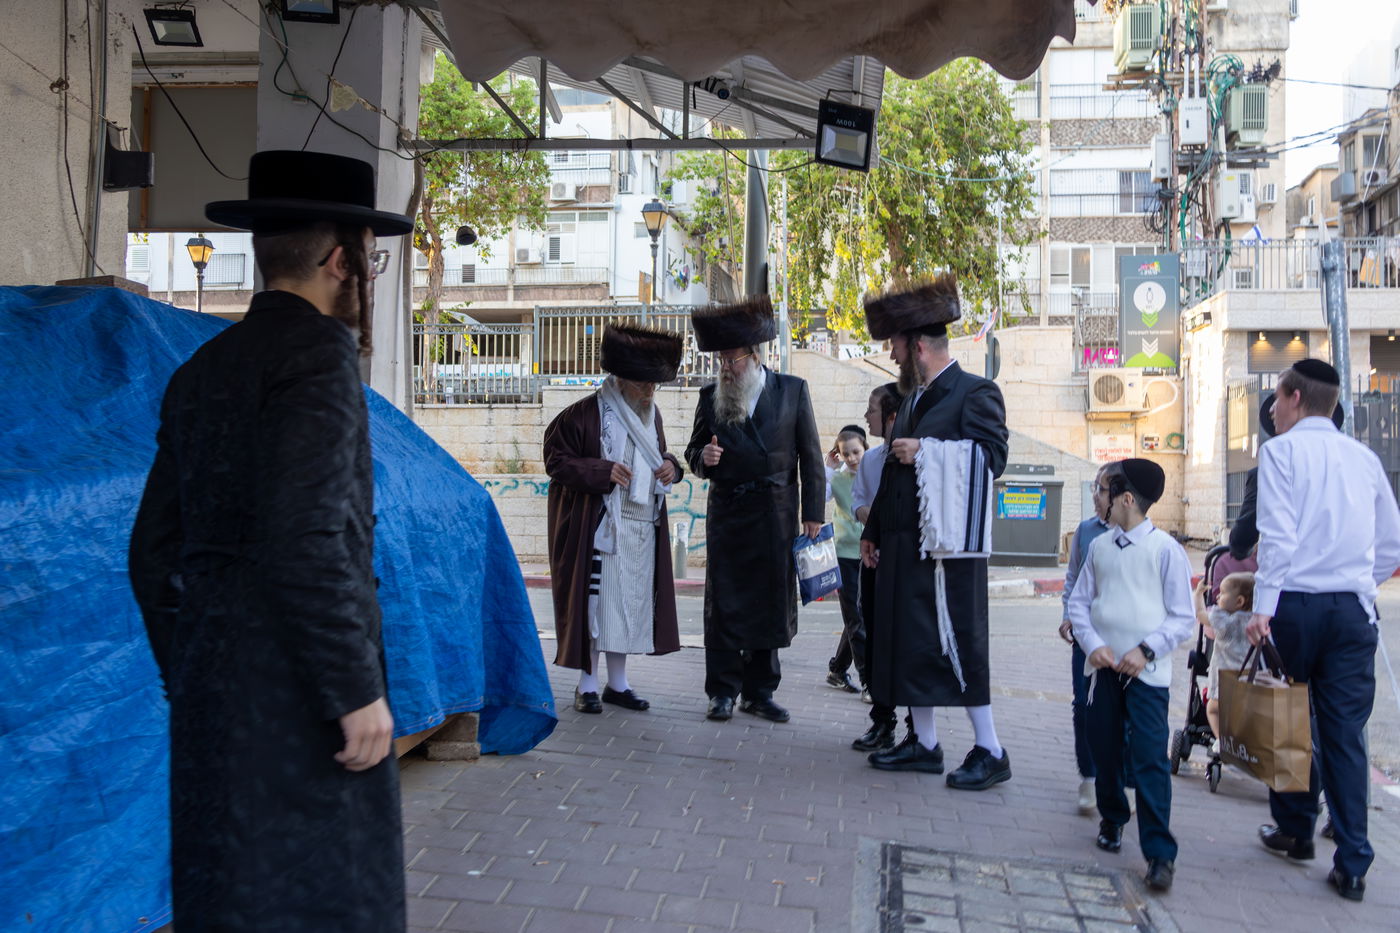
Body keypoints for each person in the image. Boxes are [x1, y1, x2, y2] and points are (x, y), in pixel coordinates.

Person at [128, 150, 410, 929]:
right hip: (300, 703)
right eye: (368, 257)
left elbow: (152, 555)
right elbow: (309, 535)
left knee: (227, 897)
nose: (368, 274)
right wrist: (353, 687)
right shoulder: (319, 361)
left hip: (215, 694)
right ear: (338, 260)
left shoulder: (203, 369)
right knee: (326, 904)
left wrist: (189, 668)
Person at [1247, 358, 1400, 903]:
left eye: (1276, 397)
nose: (1272, 409)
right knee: (1343, 733)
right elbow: (1391, 544)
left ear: (1291, 397)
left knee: (1289, 716)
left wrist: (1263, 607)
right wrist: (1359, 582)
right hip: (1352, 611)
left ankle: (1293, 830)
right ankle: (1354, 860)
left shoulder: (1279, 452)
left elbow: (1279, 536)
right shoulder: (1364, 458)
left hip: (1295, 607)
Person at [858, 275, 1012, 790]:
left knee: (959, 642)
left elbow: (992, 459)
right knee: (913, 644)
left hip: (950, 549)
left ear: (919, 347)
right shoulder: (911, 402)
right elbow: (890, 478)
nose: (893, 353)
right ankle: (924, 744)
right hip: (904, 545)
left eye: (897, 346)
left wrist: (928, 452)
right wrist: (873, 531)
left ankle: (991, 749)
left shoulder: (977, 392)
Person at [684, 294, 824, 723]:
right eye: (721, 361)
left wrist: (813, 513)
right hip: (728, 512)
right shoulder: (711, 398)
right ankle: (722, 690)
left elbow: (811, 456)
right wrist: (701, 462)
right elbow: (692, 451)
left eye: (733, 360)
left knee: (769, 600)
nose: (725, 367)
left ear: (755, 356)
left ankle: (760, 690)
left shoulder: (792, 391)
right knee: (724, 601)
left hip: (776, 512)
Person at [1066, 458, 1195, 894]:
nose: (1099, 499)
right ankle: (1112, 817)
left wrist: (1146, 650)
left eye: (1105, 491)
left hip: (1147, 675)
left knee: (1149, 759)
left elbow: (1182, 619)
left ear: (1126, 499)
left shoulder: (1166, 551)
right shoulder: (1100, 548)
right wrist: (1091, 643)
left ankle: (1159, 853)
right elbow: (1080, 604)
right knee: (1103, 747)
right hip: (1103, 669)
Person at [544, 324, 685, 714]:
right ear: (622, 378)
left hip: (641, 528)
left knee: (629, 607)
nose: (651, 391)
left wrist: (672, 467)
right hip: (601, 526)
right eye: (645, 383)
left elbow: (662, 455)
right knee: (595, 607)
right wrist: (601, 470)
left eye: (655, 384)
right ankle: (587, 685)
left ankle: (617, 684)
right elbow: (556, 460)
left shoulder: (650, 415)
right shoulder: (582, 414)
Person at [850, 383, 905, 740]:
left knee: (903, 640)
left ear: (891, 417)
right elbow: (857, 501)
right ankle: (881, 719)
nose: (866, 416)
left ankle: (918, 727)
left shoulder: (909, 458)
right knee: (873, 635)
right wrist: (873, 519)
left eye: (872, 409)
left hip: (903, 563)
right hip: (872, 559)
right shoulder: (870, 460)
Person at [1059, 465, 1112, 814]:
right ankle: (1089, 779)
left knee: (1121, 710)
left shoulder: (1150, 539)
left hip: (1123, 636)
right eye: (1094, 487)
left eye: (1102, 488)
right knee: (1084, 706)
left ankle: (1122, 780)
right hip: (1085, 632)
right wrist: (1067, 614)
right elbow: (1074, 575)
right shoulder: (1086, 530)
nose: (1095, 494)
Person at [826, 424, 869, 694]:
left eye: (856, 452)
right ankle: (869, 681)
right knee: (856, 619)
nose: (852, 458)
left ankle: (837, 669)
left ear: (866, 449)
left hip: (872, 553)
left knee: (859, 617)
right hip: (844, 554)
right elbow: (819, 498)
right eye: (846, 454)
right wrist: (827, 467)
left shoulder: (874, 474)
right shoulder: (836, 478)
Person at [1193, 571, 1254, 747]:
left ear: (1239, 601)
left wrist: (1198, 594)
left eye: (1223, 592)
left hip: (1223, 679)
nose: (1218, 596)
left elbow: (1201, 615)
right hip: (1250, 680)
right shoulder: (1256, 619)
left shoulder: (1223, 620)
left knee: (1212, 709)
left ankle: (1222, 740)